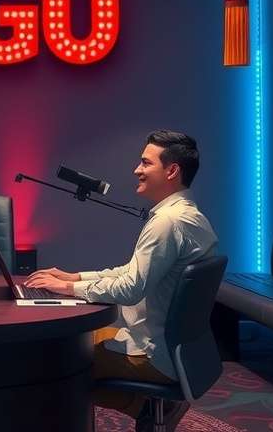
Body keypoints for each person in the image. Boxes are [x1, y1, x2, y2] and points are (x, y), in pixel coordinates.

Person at [25, 130, 218, 432]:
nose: (136, 170)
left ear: (171, 171)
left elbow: (130, 288)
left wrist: (68, 289)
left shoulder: (167, 224)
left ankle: (149, 407)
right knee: (71, 344)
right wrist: (76, 277)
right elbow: (132, 272)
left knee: (55, 364)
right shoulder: (189, 216)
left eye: (145, 163)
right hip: (176, 348)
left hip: (153, 354)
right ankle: (149, 408)